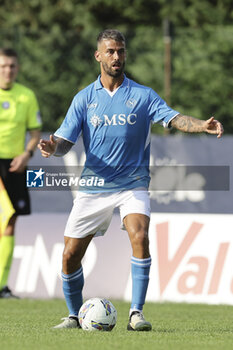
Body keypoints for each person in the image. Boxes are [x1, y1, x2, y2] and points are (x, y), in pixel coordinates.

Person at [38, 29, 223, 331]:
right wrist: (51, 147)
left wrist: (201, 124)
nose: (116, 57)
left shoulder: (142, 95)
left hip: (132, 184)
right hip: (94, 187)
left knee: (140, 236)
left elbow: (173, 118)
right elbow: (64, 141)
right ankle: (74, 315)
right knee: (70, 255)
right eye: (110, 51)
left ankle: (136, 313)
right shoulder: (84, 99)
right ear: (98, 55)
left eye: (121, 51)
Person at [0, 48, 42, 298]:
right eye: (3, 66)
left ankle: (2, 285)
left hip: (15, 165)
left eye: (12, 66)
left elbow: (35, 133)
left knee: (11, 222)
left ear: (18, 68)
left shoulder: (26, 96)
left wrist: (27, 154)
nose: (8, 70)